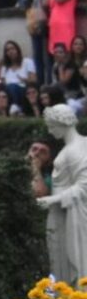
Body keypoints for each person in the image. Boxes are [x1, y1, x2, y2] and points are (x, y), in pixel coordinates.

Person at [39, 104, 87, 281]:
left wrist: (53, 199)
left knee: (72, 268)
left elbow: (84, 186)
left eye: (52, 126)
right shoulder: (75, 147)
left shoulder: (76, 149)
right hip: (62, 215)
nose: (50, 132)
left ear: (62, 123)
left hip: (72, 217)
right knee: (60, 269)